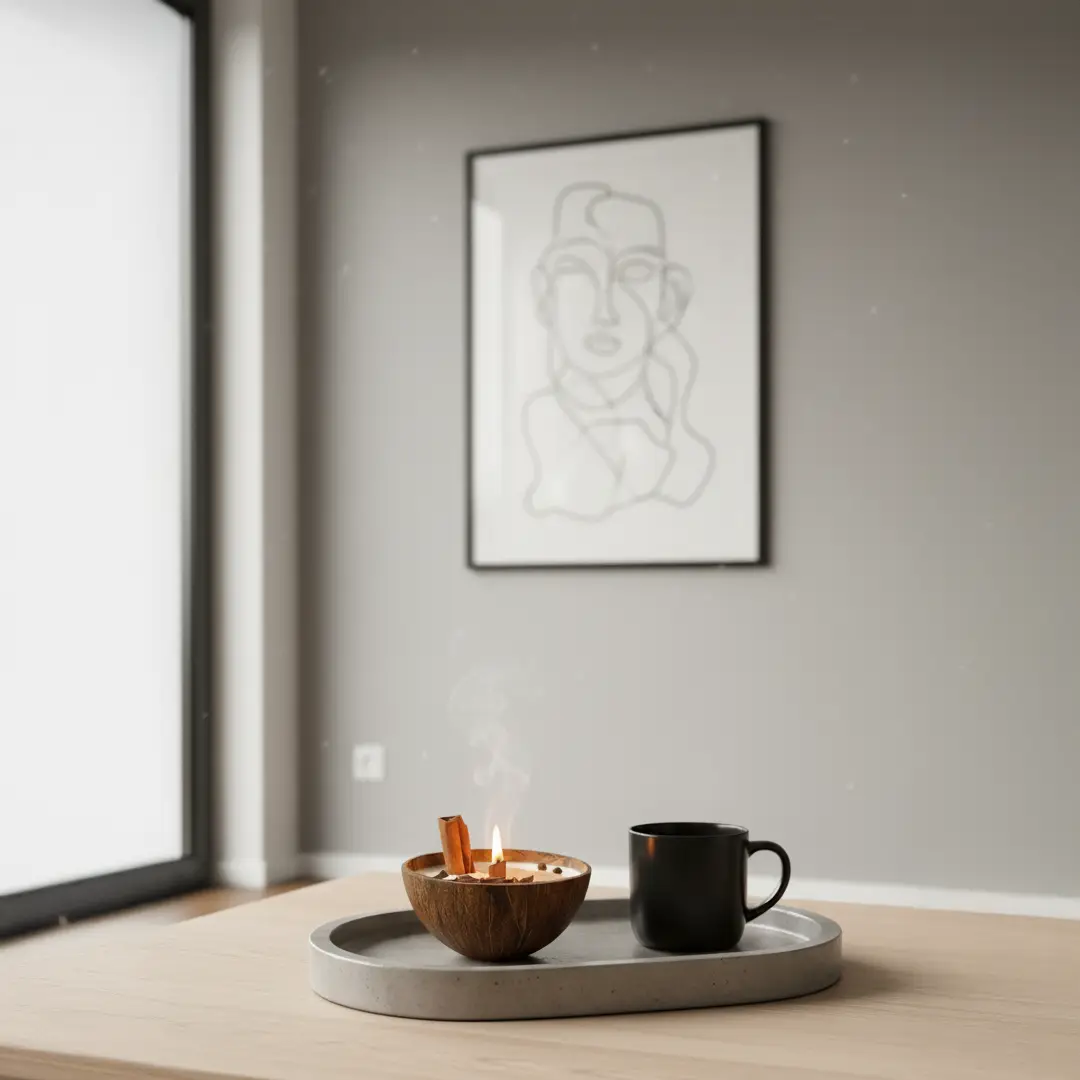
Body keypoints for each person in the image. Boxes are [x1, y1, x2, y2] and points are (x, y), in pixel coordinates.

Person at [522, 181, 715, 520]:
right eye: (576, 269)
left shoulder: (685, 435)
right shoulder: (538, 422)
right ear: (544, 294)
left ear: (670, 298)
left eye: (634, 273)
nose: (605, 311)